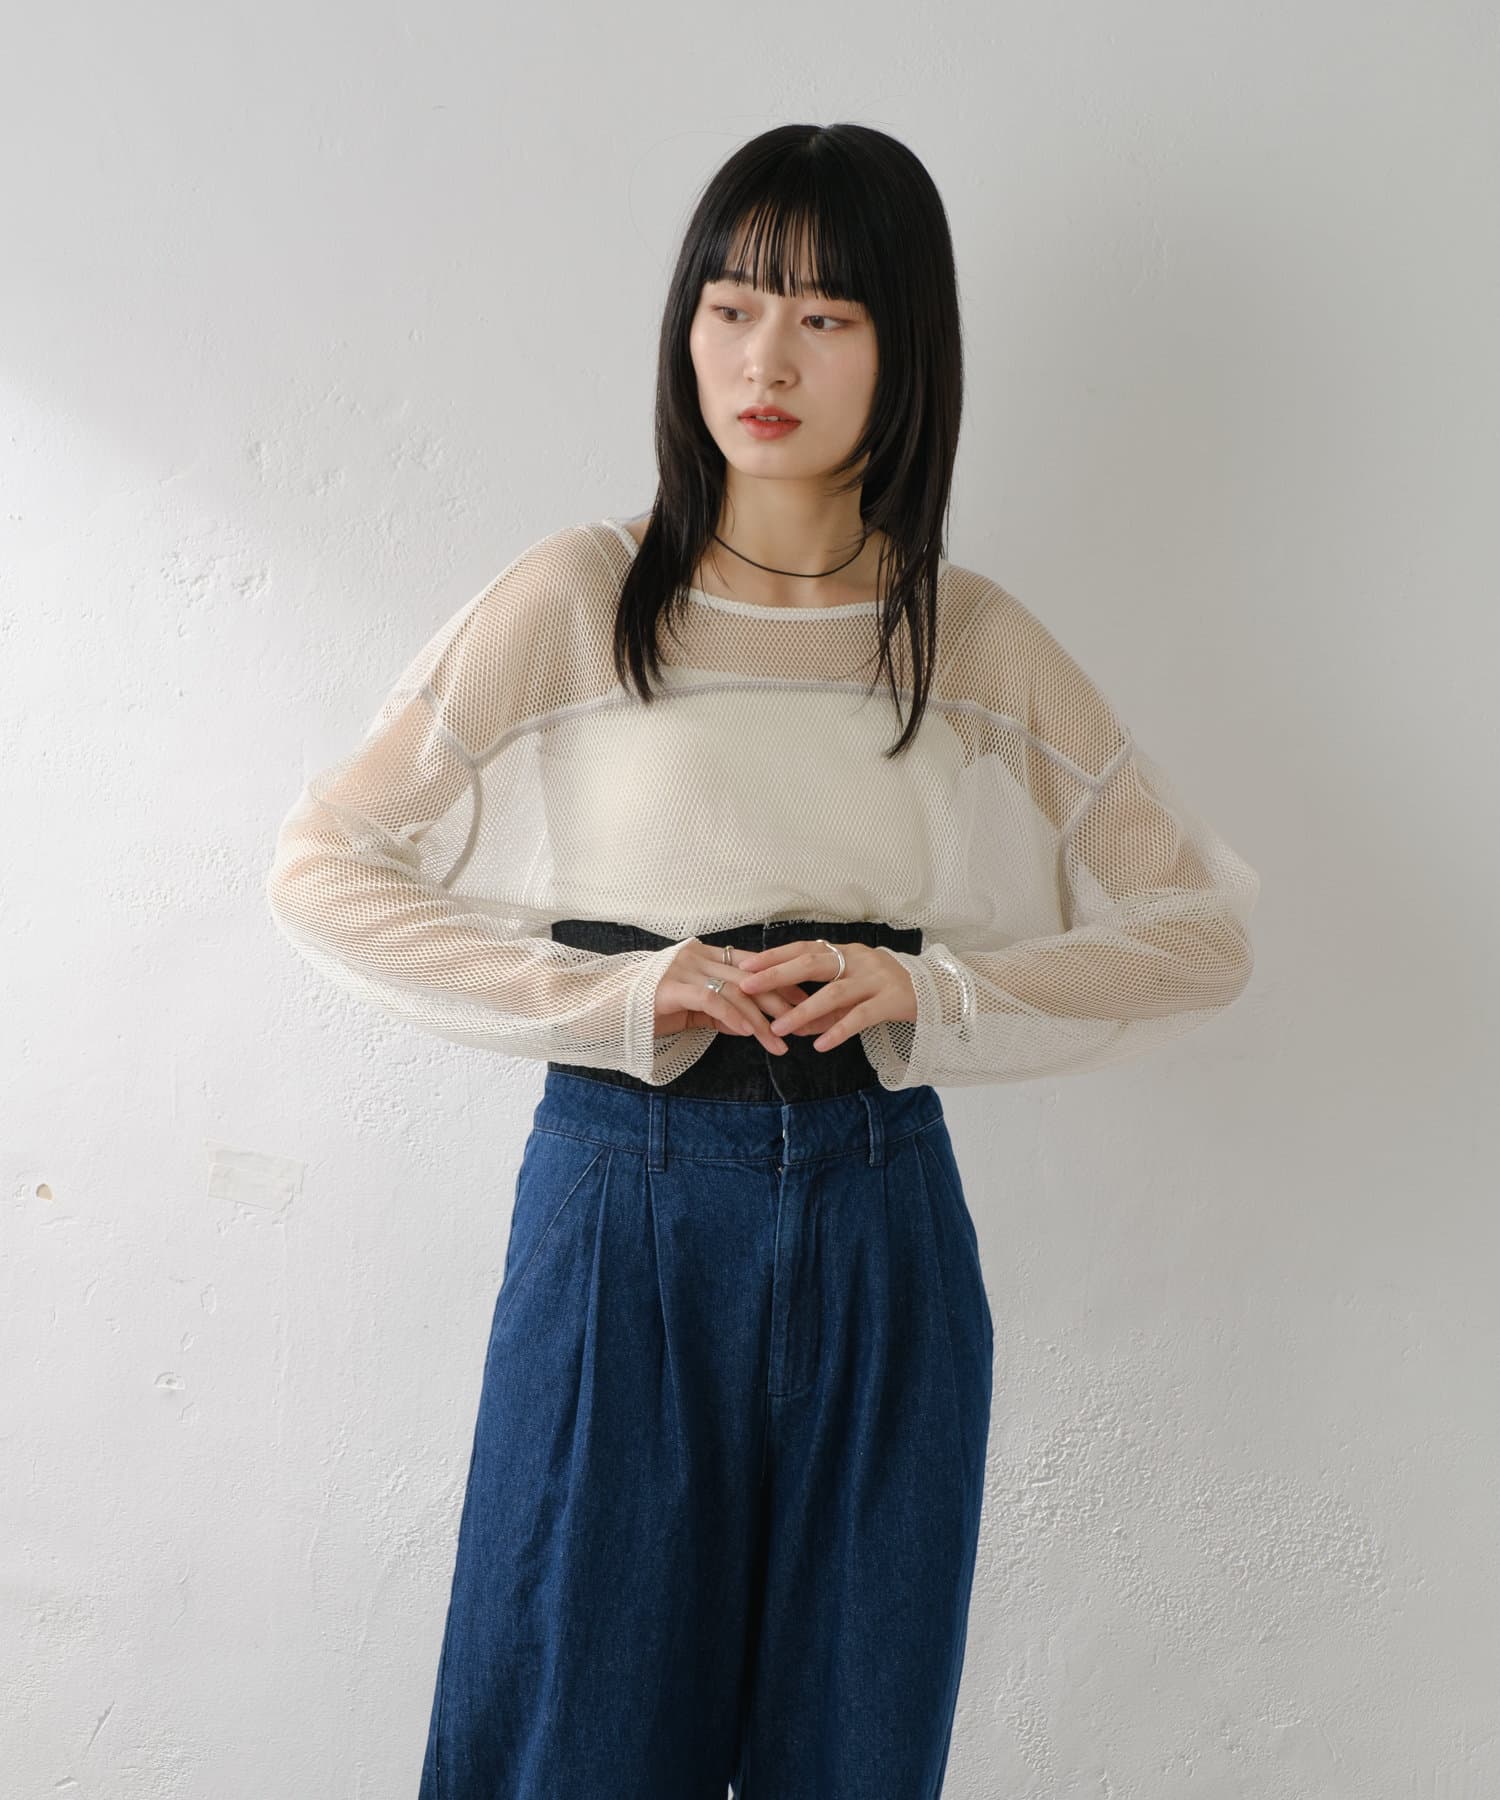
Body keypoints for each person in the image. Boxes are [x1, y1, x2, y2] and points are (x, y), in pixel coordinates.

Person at [264, 122, 1259, 1800]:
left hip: (882, 1219)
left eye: (822, 316)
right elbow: (325, 867)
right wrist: (613, 994)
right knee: (572, 1734)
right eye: (730, 306)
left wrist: (938, 994)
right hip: (623, 1211)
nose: (763, 360)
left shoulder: (962, 632)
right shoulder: (583, 597)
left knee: (855, 1746)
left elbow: (1199, 928)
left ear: (904, 345)